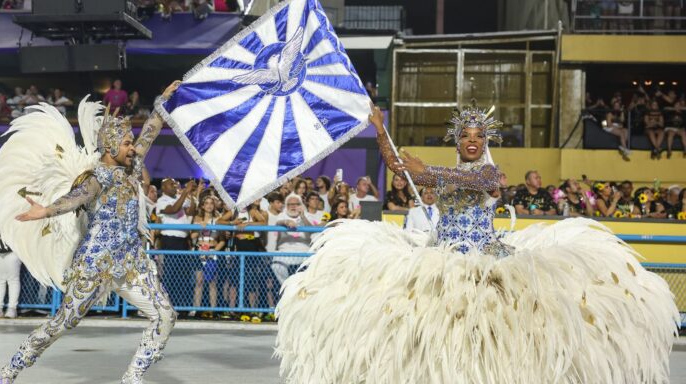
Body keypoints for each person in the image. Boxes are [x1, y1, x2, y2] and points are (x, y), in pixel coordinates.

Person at [275, 103, 678, 383]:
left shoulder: (488, 173)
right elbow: (399, 164)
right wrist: (381, 131)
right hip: (440, 255)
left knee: (489, 337)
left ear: (485, 141)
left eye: (478, 135)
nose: (471, 140)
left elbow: (476, 182)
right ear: (456, 140)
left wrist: (426, 170)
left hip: (483, 261)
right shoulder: (447, 171)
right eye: (465, 135)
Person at [0, 81, 182, 384]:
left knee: (165, 316)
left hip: (132, 266)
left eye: (131, 143)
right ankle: (13, 367)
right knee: (63, 322)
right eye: (126, 144)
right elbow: (75, 198)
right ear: (109, 148)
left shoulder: (131, 167)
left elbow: (151, 130)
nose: (133, 148)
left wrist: (163, 100)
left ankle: (132, 377)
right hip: (93, 266)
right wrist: (44, 211)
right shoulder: (97, 178)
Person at [156, 177, 198, 308]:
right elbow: (173, 210)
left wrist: (190, 194)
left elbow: (191, 211)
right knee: (170, 274)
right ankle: (167, 305)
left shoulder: (178, 198)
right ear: (163, 188)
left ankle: (183, 306)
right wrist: (185, 192)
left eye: (175, 184)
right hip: (170, 240)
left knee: (184, 274)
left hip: (183, 241)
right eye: (171, 184)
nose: (174, 186)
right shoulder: (161, 201)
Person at [189, 195, 225, 319]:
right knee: (199, 282)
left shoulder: (218, 219)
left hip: (211, 255)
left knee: (212, 283)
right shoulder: (197, 218)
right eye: (207, 203)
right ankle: (196, 309)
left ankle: (213, 310)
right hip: (199, 254)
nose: (209, 205)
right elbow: (192, 236)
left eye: (211, 203)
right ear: (203, 206)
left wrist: (214, 249)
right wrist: (199, 228)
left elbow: (222, 240)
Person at [267, 193, 311, 287]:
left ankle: (303, 289)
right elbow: (279, 222)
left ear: (301, 205)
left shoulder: (306, 215)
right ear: (286, 206)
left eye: (297, 204)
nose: (293, 206)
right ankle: (287, 287)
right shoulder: (282, 215)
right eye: (290, 204)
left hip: (304, 251)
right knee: (276, 264)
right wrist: (286, 222)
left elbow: (312, 230)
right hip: (285, 251)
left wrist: (303, 217)